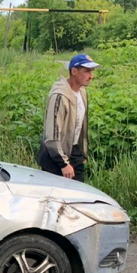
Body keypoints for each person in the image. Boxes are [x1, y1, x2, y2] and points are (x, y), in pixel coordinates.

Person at [38, 53, 98, 181]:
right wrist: (63, 164)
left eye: (91, 71)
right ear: (74, 71)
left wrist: (81, 155)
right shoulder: (59, 96)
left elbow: (80, 127)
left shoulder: (82, 92)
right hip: (55, 159)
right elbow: (52, 136)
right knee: (56, 197)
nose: (91, 76)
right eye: (87, 71)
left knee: (78, 196)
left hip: (74, 153)